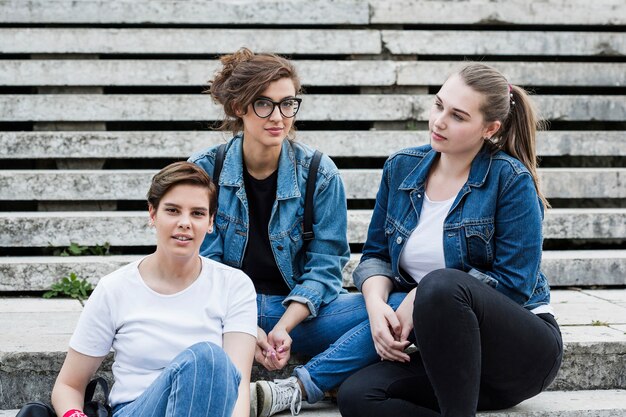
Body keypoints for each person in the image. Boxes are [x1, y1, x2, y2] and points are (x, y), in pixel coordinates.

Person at [337, 63, 563, 417]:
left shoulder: (510, 180)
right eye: (438, 105)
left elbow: (516, 283)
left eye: (458, 116)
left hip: (517, 354)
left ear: (490, 129)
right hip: (447, 357)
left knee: (441, 286)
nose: (439, 121)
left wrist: (419, 293)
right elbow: (376, 256)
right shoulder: (401, 168)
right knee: (357, 396)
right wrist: (376, 305)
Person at [190, 48, 402, 417]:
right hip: (221, 313)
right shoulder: (205, 170)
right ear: (239, 107)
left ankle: (299, 386)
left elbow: (326, 265)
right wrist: (246, 327)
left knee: (400, 307)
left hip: (299, 313)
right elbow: (203, 265)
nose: (278, 117)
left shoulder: (320, 173)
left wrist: (284, 326)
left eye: (288, 104)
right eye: (264, 105)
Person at [51, 162, 257, 417]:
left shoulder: (234, 286)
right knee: (207, 357)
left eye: (197, 213)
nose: (185, 223)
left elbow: (238, 392)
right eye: (172, 210)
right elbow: (68, 385)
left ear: (211, 222)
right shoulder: (115, 288)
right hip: (137, 410)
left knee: (210, 361)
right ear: (152, 214)